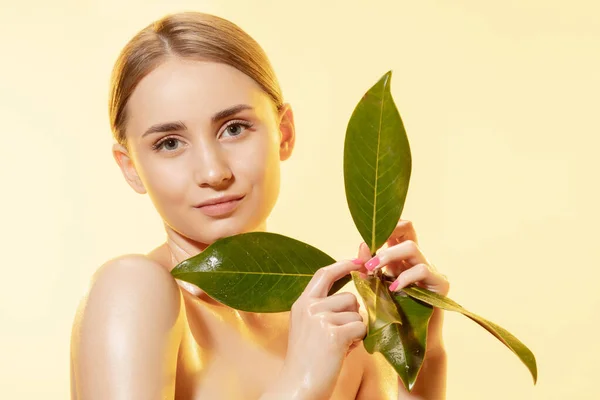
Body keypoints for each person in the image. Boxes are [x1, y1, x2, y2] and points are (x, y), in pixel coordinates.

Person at [69, 11, 450, 400]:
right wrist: (302, 383)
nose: (213, 172)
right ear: (131, 167)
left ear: (283, 132)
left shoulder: (338, 324)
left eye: (233, 128)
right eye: (169, 143)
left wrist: (422, 352)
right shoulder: (133, 290)